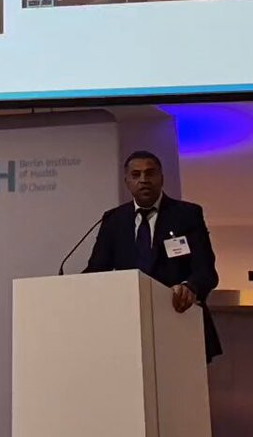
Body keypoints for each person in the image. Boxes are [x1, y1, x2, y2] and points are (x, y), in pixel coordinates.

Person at [85, 150, 222, 361]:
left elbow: (206, 272)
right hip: (129, 328)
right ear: (127, 181)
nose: (143, 180)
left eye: (150, 173)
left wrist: (190, 287)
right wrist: (69, 288)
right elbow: (96, 271)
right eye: (136, 175)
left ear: (161, 178)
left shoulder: (187, 214)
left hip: (179, 321)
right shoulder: (113, 219)